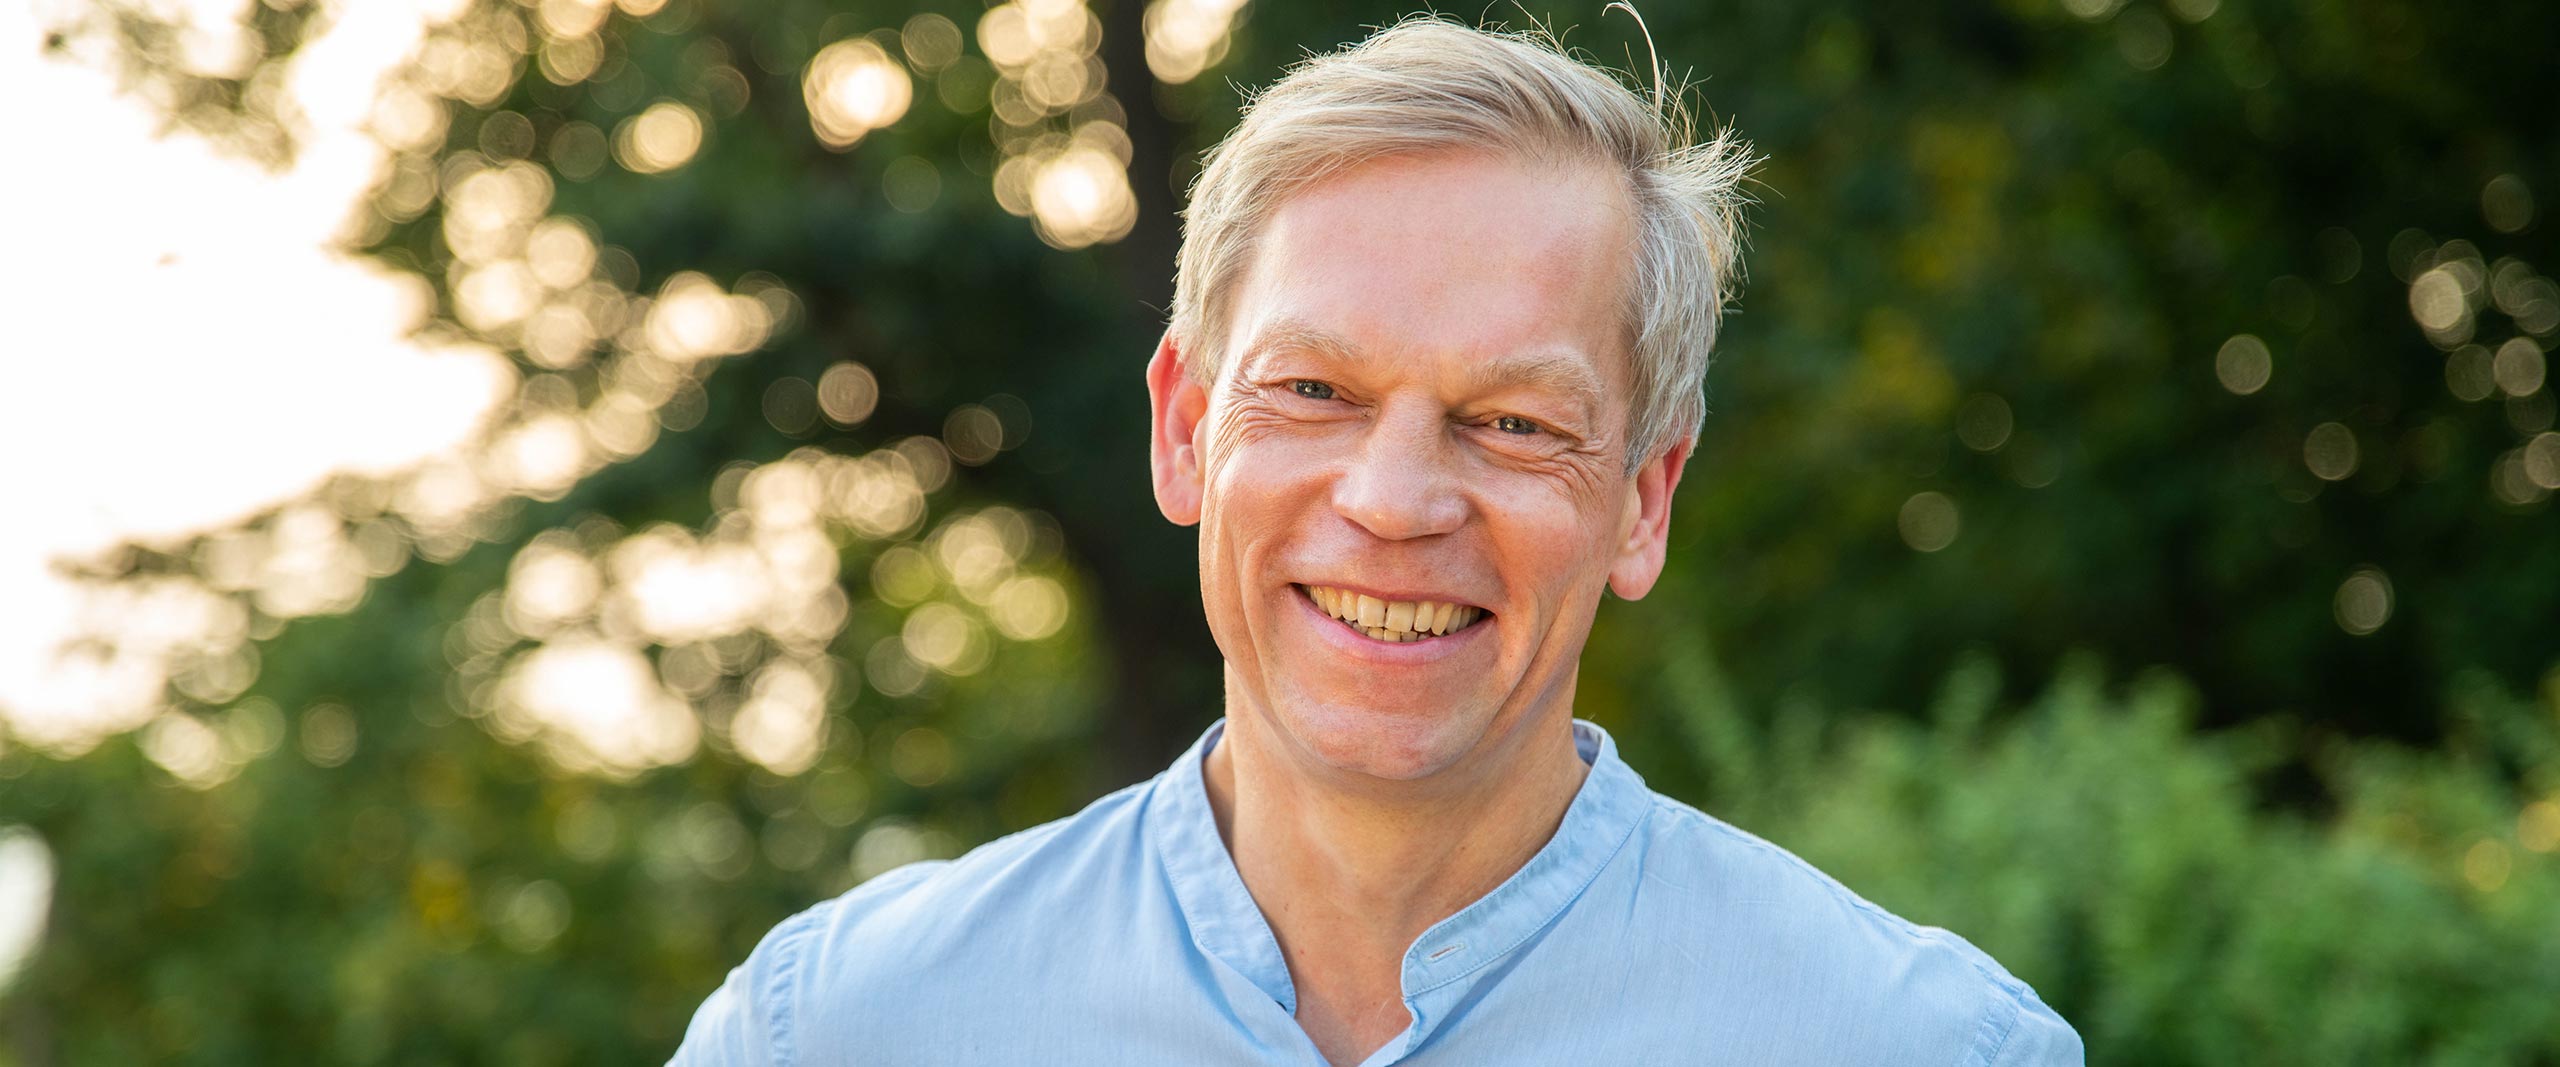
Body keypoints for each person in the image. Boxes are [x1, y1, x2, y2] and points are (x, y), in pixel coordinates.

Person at [672, 15, 2082, 1066]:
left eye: (1517, 421)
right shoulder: (838, 1033)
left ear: (1644, 499)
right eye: (1314, 392)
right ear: (1183, 430)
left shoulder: (1921, 1049)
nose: (1396, 501)